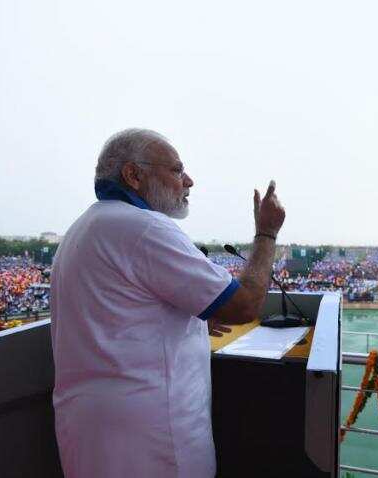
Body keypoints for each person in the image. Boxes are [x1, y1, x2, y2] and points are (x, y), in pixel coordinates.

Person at [50, 129, 285, 477]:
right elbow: (245, 304)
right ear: (134, 175)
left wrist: (192, 320)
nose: (188, 180)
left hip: (92, 432)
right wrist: (266, 233)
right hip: (150, 441)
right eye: (176, 170)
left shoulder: (84, 227)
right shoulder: (144, 227)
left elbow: (120, 314)